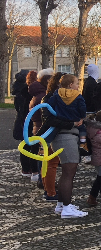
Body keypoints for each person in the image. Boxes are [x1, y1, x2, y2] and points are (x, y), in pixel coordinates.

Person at [46, 75, 88, 219]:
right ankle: (67, 208)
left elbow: (49, 116)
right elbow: (83, 113)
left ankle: (61, 205)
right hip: (68, 136)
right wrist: (73, 123)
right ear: (70, 84)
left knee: (65, 173)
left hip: (58, 136)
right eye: (77, 83)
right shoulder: (77, 97)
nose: (78, 86)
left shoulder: (54, 96)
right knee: (69, 173)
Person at [39, 72, 65, 201]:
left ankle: (49, 191)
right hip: (50, 135)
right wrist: (69, 123)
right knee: (51, 164)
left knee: (49, 164)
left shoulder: (52, 98)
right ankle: (50, 192)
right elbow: (49, 120)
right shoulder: (50, 98)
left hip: (51, 135)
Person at [12, 70, 33, 177]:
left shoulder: (18, 91)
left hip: (22, 120)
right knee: (28, 145)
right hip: (26, 121)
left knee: (25, 144)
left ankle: (26, 169)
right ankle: (28, 168)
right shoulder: (24, 92)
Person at [29, 68, 54, 136]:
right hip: (44, 130)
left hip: (38, 128)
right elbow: (46, 116)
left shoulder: (38, 93)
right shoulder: (43, 96)